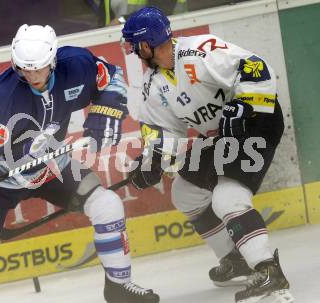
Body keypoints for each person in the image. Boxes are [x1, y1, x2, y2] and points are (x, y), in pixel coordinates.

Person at [0, 24, 159, 303]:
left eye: (38, 68)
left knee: (107, 205)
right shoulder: (2, 95)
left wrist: (105, 111)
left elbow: (112, 77)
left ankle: (119, 286)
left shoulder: (77, 65)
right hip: (0, 177)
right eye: (24, 68)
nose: (31, 75)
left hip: (51, 165)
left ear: (53, 60)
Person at [122, 6, 294, 303]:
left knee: (227, 197)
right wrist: (152, 160)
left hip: (257, 123)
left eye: (134, 45)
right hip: (222, 138)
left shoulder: (200, 51)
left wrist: (245, 106)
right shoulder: (153, 85)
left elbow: (256, 67)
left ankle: (268, 271)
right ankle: (235, 259)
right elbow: (163, 132)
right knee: (185, 192)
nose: (133, 50)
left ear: (146, 44)